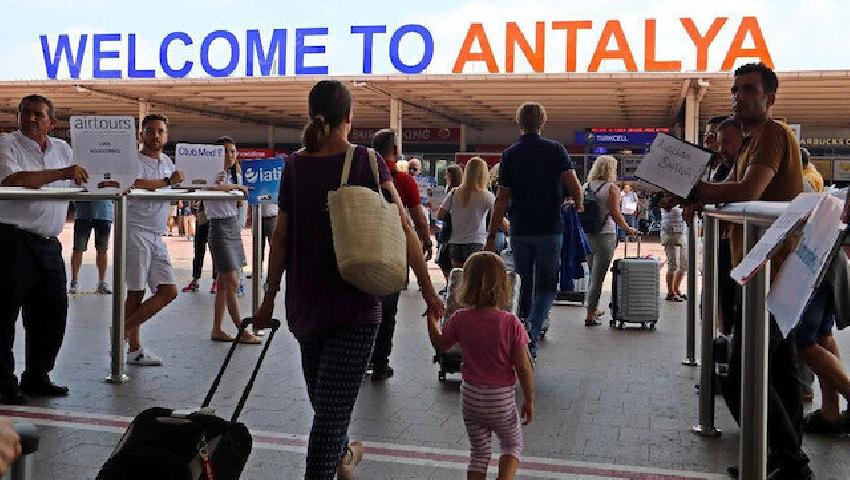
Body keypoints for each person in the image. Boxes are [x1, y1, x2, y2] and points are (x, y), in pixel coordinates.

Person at [252, 80, 444, 479]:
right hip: (354, 302)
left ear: (312, 115)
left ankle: (340, 457)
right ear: (350, 118)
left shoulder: (295, 166)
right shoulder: (366, 160)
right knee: (329, 415)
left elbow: (280, 236)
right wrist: (430, 293)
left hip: (305, 304)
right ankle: (343, 456)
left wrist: (269, 297)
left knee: (327, 414)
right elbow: (404, 226)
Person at [690, 62, 811, 479]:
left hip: (772, 271)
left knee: (742, 372)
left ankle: (791, 461)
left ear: (770, 98)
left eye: (748, 90)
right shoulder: (749, 141)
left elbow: (748, 191)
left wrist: (695, 189)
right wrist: (703, 195)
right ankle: (783, 458)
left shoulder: (772, 134)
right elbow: (735, 195)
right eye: (735, 90)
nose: (737, 97)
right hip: (763, 268)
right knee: (780, 371)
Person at [0, 94, 85, 404]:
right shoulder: (7, 145)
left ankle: (37, 376)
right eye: (26, 113)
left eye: (39, 114)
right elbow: (15, 179)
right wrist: (63, 173)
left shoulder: (63, 150)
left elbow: (83, 180)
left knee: (51, 314)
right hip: (11, 241)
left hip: (49, 244)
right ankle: (3, 384)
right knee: (4, 315)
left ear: (53, 121)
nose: (31, 119)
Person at [485, 102, 584, 358]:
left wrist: (491, 234)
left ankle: (521, 333)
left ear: (519, 123)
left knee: (523, 283)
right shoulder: (556, 149)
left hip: (520, 228)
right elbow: (573, 183)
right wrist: (579, 203)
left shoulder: (510, 154)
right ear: (543, 122)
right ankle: (532, 330)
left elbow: (502, 198)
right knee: (547, 285)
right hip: (550, 228)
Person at [427, 251, 533, 480]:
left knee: (479, 451)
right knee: (512, 443)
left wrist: (432, 320)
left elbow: (441, 345)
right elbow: (524, 367)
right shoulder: (510, 323)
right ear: (503, 286)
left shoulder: (460, 318)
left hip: (471, 397)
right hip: (500, 399)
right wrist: (529, 399)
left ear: (466, 284)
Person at [368, 128, 434, 381]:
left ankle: (361, 356)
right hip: (392, 250)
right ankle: (380, 363)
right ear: (395, 151)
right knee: (387, 310)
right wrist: (425, 241)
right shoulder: (403, 181)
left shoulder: (362, 175)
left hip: (362, 247)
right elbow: (417, 218)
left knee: (363, 305)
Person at [124, 113, 184, 367]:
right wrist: (168, 182)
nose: (155, 135)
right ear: (141, 135)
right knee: (136, 292)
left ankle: (122, 331)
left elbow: (178, 186)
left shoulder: (167, 162)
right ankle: (133, 348)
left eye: (160, 131)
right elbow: (134, 183)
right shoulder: (133, 161)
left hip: (157, 234)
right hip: (136, 231)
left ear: (166, 136)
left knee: (168, 291)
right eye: (150, 131)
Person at [206, 136, 259, 344]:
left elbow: (239, 200)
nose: (229, 155)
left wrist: (237, 188)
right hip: (219, 227)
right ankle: (241, 330)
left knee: (222, 282)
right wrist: (236, 188)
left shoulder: (235, 174)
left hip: (232, 226)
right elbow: (210, 187)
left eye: (233, 151)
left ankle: (217, 328)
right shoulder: (212, 173)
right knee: (232, 282)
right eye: (225, 151)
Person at [583, 156, 638, 327]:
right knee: (598, 277)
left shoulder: (586, 186)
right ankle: (590, 314)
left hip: (588, 234)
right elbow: (615, 213)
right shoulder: (611, 188)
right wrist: (628, 228)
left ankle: (593, 307)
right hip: (605, 234)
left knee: (592, 273)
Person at [438, 158, 502, 268]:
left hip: (455, 242)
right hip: (477, 242)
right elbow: (498, 217)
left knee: (458, 275)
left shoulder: (454, 193)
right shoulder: (486, 195)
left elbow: (440, 215)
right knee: (474, 276)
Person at [69, 200, 113, 294]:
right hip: (83, 213)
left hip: (103, 212)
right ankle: (74, 282)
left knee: (102, 249)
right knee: (78, 248)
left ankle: (102, 282)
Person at [182, 201, 218, 293]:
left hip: (214, 215)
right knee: (198, 250)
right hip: (202, 214)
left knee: (214, 251)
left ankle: (216, 281)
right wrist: (193, 203)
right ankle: (195, 280)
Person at [437, 165, 463, 282]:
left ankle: (451, 284)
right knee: (446, 260)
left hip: (450, 230)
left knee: (446, 260)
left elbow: (441, 214)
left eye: (447, 175)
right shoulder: (450, 190)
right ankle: (451, 283)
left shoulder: (454, 192)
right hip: (449, 229)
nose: (445, 177)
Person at [660, 204, 687, 302]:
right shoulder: (666, 198)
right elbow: (666, 206)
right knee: (673, 264)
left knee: (684, 264)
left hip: (682, 232)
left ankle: (676, 288)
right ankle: (670, 292)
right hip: (669, 232)